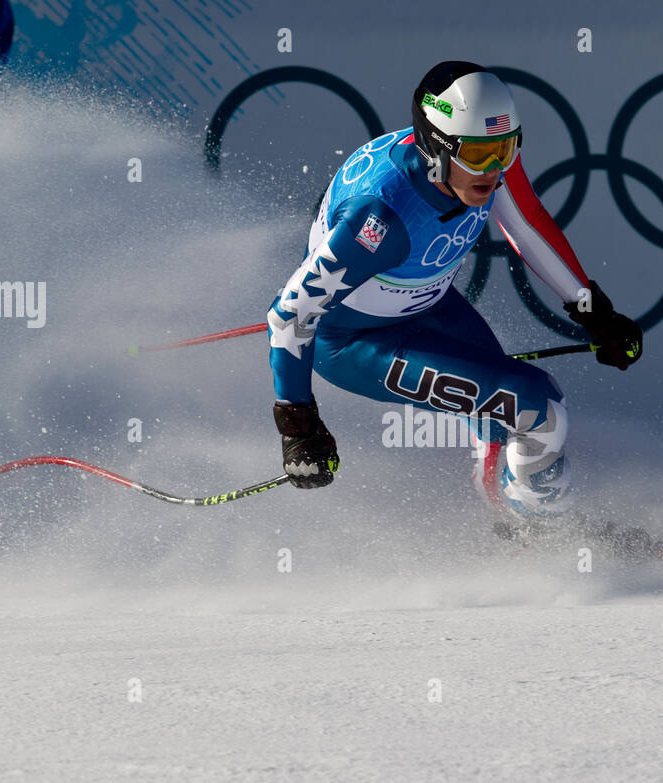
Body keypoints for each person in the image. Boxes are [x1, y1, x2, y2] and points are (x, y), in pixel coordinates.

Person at [266, 61, 642, 522]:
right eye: (479, 156)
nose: (494, 170)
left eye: (505, 150)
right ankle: (553, 534)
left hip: (426, 303)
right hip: (354, 343)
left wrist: (592, 311)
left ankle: (513, 520)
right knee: (539, 407)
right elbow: (290, 315)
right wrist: (298, 426)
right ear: (436, 148)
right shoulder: (380, 220)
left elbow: (525, 226)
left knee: (502, 417)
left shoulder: (477, 159)